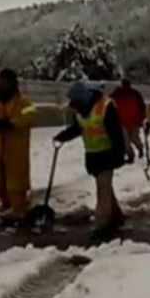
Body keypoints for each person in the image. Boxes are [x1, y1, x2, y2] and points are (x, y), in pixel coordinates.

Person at [53, 82, 126, 233]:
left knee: (102, 189)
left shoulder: (105, 107)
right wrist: (63, 136)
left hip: (108, 154)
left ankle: (102, 224)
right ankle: (117, 217)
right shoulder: (81, 110)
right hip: (92, 155)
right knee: (106, 189)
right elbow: (78, 128)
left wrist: (119, 155)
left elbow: (116, 134)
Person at [0, 69, 36, 220]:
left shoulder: (23, 101)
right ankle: (7, 203)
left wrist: (12, 123)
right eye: (2, 81)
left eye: (7, 82)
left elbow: (30, 116)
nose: (4, 85)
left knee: (16, 185)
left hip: (15, 151)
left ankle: (20, 208)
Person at [111, 78, 147, 164]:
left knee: (134, 138)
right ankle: (130, 155)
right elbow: (109, 99)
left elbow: (142, 107)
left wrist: (142, 118)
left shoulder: (135, 93)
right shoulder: (118, 93)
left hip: (134, 120)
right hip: (122, 121)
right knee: (125, 140)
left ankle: (140, 148)